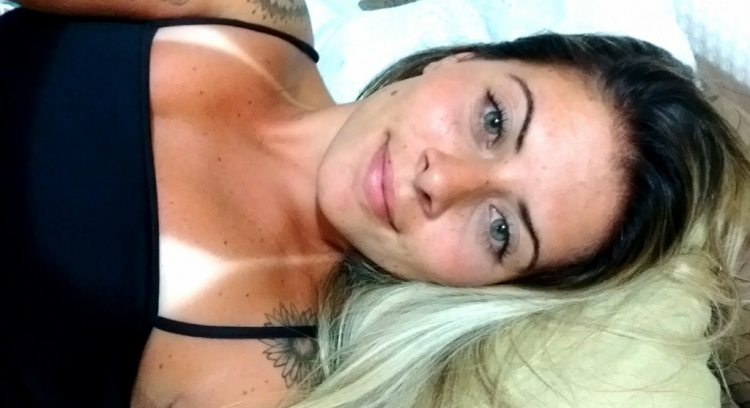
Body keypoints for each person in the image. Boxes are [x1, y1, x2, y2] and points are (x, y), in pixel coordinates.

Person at [1, 1, 748, 407]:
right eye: (493, 121)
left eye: (499, 229)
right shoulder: (249, 7)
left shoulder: (257, 378)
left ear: (492, 286)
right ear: (462, 59)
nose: (442, 182)